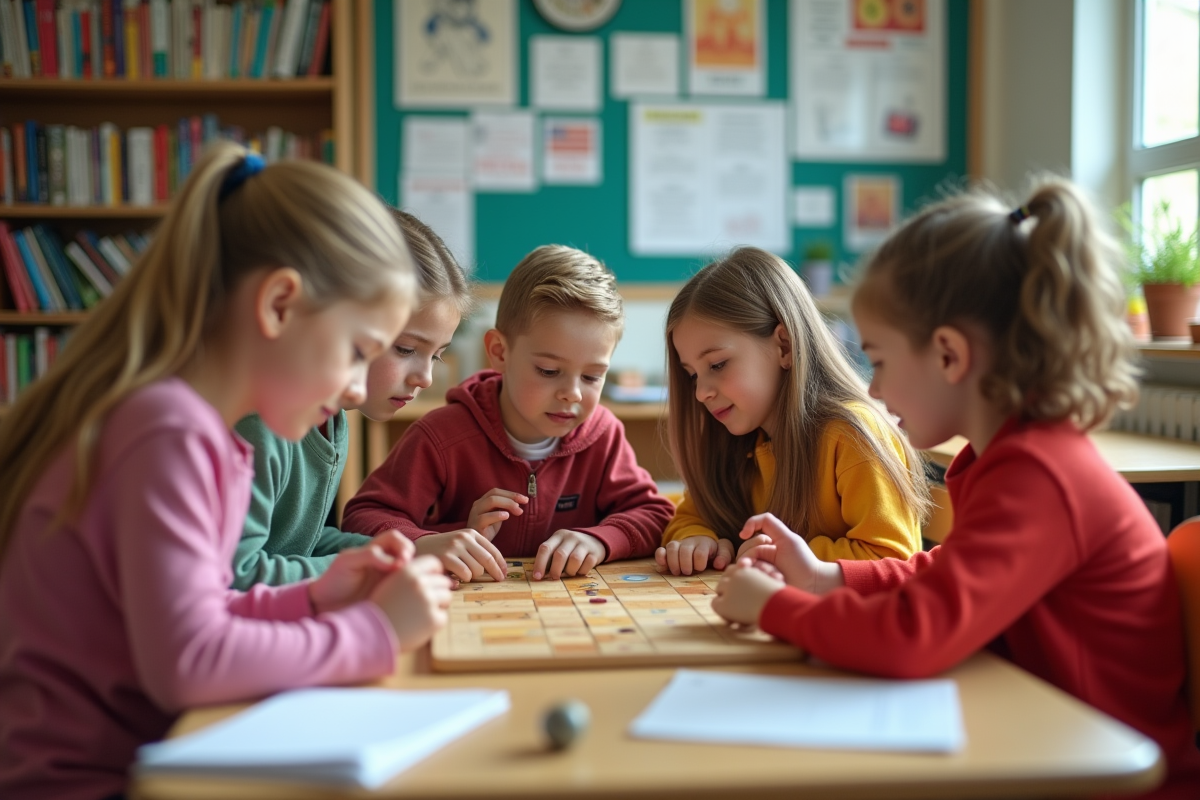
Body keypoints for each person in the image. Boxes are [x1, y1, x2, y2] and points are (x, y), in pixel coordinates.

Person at [712, 181, 1200, 799]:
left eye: (879, 361)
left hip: (1108, 776)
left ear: (948, 355)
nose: (874, 389)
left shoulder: (1041, 476)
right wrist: (824, 577)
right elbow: (949, 571)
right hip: (1050, 743)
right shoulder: (1012, 459)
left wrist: (775, 609)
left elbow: (916, 637)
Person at [0, 143, 453, 800]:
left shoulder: (201, 434)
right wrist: (375, 633)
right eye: (358, 352)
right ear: (278, 305)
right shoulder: (168, 433)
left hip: (152, 758)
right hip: (85, 782)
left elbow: (204, 608)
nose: (358, 389)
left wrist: (315, 596)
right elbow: (189, 662)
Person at [343, 245, 675, 583]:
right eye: (548, 371)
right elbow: (362, 519)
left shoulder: (603, 435)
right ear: (500, 353)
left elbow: (655, 514)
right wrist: (432, 540)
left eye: (592, 377)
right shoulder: (441, 436)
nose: (573, 393)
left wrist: (600, 541)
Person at [230, 209, 473, 589]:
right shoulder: (259, 424)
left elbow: (302, 544)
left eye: (437, 356)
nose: (425, 378)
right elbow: (237, 574)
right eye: (405, 349)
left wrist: (408, 551)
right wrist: (370, 569)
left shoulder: (332, 418)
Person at [655, 247, 927, 576]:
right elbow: (690, 516)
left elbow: (892, 560)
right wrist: (697, 539)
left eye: (717, 364)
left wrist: (780, 555)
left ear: (784, 345)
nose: (701, 392)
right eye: (692, 375)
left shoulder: (853, 435)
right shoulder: (736, 443)